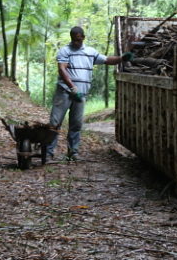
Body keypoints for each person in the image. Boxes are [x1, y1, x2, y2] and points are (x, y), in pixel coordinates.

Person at [47, 26, 133, 161]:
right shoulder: (64, 51)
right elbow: (62, 69)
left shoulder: (90, 52)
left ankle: (73, 152)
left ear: (83, 37)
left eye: (78, 39)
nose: (76, 42)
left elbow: (107, 60)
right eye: (73, 40)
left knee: (76, 124)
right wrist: (72, 87)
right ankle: (48, 152)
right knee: (55, 122)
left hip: (81, 95)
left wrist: (121, 58)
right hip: (65, 92)